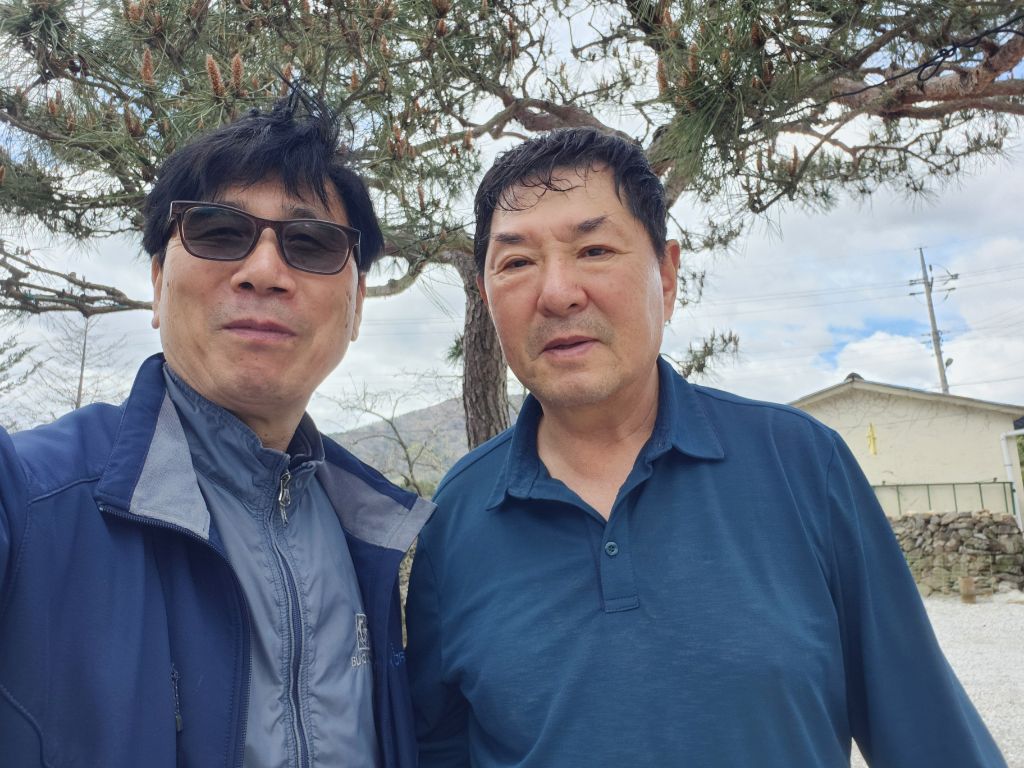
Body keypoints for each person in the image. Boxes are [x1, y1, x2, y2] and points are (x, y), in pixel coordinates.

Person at [405, 128, 1007, 767]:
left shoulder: (802, 465)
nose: (557, 293)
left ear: (666, 275)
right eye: (517, 262)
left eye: (595, 249)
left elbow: (928, 735)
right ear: (486, 295)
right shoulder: (456, 515)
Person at [0, 90, 432, 767]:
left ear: (356, 308)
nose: (264, 272)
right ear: (157, 282)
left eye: (311, 243)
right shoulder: (29, 500)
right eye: (218, 232)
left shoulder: (372, 537)